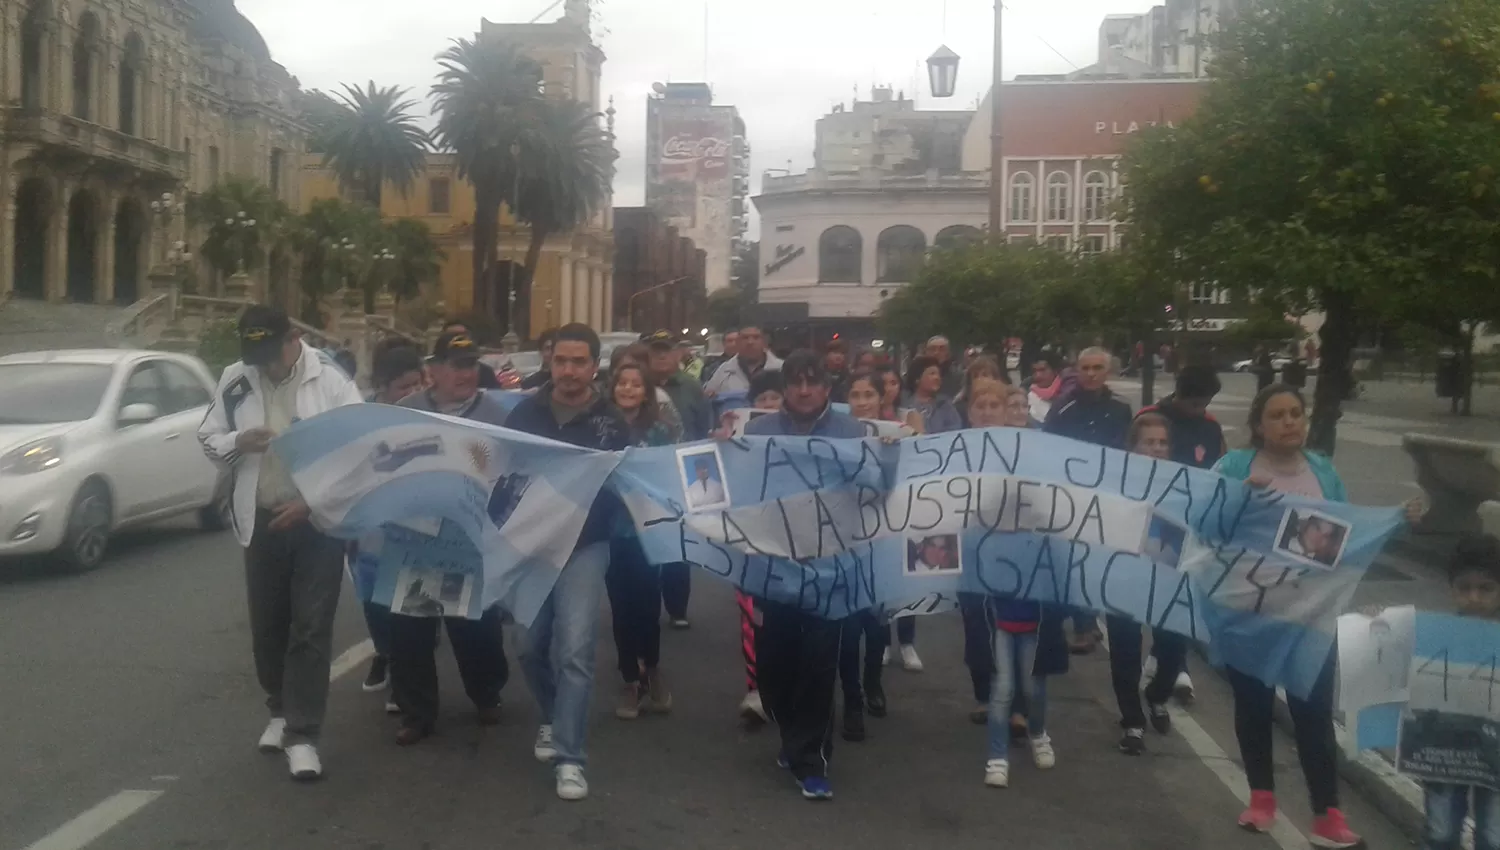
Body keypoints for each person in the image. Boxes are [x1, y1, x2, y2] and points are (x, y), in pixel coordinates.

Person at [1213, 384, 1418, 847]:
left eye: (1295, 414)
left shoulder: (1323, 471)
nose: (1289, 422)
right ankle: (1262, 798)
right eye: (1277, 415)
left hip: (1310, 617)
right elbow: (1208, 525)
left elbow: (1346, 535)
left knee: (1313, 713)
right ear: (1258, 426)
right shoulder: (1234, 468)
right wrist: (1238, 498)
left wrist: (1396, 520)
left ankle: (1327, 815)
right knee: (1253, 706)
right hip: (1249, 611)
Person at [197, 305, 363, 781]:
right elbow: (206, 438)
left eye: (271, 353)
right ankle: (279, 709)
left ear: (294, 339)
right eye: (256, 355)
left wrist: (312, 503)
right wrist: (237, 442)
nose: (264, 365)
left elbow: (358, 453)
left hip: (315, 521)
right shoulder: (237, 377)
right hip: (262, 518)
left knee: (310, 627)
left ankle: (304, 734)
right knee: (268, 628)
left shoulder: (329, 379)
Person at [504, 323, 632, 801]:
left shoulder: (611, 422)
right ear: (549, 361)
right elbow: (500, 470)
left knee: (575, 649)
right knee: (527, 645)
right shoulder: (523, 413)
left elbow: (629, 480)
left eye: (580, 361)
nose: (570, 370)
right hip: (533, 546)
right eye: (562, 360)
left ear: (593, 366)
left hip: (585, 545)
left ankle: (570, 757)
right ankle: (555, 714)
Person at [742, 350, 864, 801]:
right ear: (786, 389)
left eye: (813, 382)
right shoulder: (757, 433)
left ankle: (812, 760)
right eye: (796, 383)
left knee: (817, 666)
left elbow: (877, 489)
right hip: (775, 569)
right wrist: (720, 448)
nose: (805, 390)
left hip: (831, 572)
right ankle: (792, 737)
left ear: (827, 389)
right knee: (774, 667)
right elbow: (736, 487)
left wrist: (892, 453)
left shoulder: (853, 433)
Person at [381, 332, 513, 746]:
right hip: (416, 534)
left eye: (471, 364)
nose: (465, 373)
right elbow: (381, 462)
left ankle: (486, 692)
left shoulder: (495, 413)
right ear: (432, 369)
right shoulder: (405, 411)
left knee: (474, 624)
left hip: (468, 533)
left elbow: (513, 468)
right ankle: (417, 712)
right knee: (410, 628)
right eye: (456, 365)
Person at [1132, 363, 1226, 704]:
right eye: (1195, 404)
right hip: (1157, 520)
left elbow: (1221, 470)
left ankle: (1169, 659)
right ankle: (1169, 661)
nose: (1200, 411)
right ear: (1180, 395)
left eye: (1205, 404)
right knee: (1163, 592)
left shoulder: (1211, 427)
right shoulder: (1150, 418)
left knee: (1184, 592)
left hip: (1194, 524)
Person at [1103, 412, 1191, 757]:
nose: (1156, 449)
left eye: (1162, 443)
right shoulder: (1115, 481)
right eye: (1148, 442)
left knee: (1172, 648)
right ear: (1133, 447)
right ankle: (1132, 720)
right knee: (1125, 649)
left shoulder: (1185, 484)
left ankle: (1156, 694)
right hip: (1123, 575)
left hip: (1167, 578)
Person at [1044, 347, 1132, 655]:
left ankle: (1089, 617)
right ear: (1077, 371)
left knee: (1099, 559)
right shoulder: (1061, 407)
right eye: (1086, 368)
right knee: (1073, 560)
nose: (1092, 374)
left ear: (1107, 372)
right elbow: (1046, 446)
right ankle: (1082, 624)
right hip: (1071, 496)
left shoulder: (1122, 409)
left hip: (1107, 496)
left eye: (1098, 368)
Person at [354, 344, 428, 705]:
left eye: (417, 384)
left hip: (414, 532)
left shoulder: (429, 415)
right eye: (403, 387)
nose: (412, 394)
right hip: (370, 532)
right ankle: (384, 652)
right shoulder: (359, 418)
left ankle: (404, 681)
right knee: (373, 602)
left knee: (406, 607)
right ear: (382, 386)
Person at [1417, 533, 1500, 850]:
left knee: (1494, 836)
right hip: (1443, 755)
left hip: (1496, 757)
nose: (1474, 597)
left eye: (1486, 588)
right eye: (1464, 588)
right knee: (1441, 832)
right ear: (1451, 589)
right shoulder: (1431, 637)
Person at [605, 362, 677, 720]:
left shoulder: (661, 430)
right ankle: (630, 679)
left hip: (649, 530)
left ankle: (652, 667)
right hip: (610, 530)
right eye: (623, 382)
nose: (629, 389)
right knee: (621, 608)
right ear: (613, 387)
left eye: (636, 384)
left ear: (646, 392)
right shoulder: (600, 425)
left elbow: (674, 471)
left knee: (648, 606)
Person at [834, 371, 892, 742]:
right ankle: (852, 698)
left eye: (869, 393)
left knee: (877, 624)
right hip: (843, 538)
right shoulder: (837, 433)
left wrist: (892, 452)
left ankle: (873, 683)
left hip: (883, 540)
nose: (862, 401)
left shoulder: (897, 434)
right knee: (848, 626)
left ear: (881, 398)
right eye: (855, 394)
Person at [644, 330, 712, 629]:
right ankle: (642, 604)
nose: (661, 355)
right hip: (643, 473)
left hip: (681, 473)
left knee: (677, 541)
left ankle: (677, 607)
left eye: (666, 350)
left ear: (678, 353)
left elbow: (703, 429)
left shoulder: (691, 387)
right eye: (655, 350)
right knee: (642, 540)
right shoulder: (635, 384)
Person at [734, 377, 789, 729]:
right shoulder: (743, 437)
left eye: (775, 397)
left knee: (788, 621)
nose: (768, 403)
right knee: (752, 618)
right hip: (753, 542)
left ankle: (787, 689)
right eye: (762, 397)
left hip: (794, 542)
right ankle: (755, 689)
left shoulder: (804, 435)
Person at [704, 325, 782, 400]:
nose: (750, 342)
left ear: (765, 342)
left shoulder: (781, 368)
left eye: (756, 337)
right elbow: (707, 398)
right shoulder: (723, 371)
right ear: (737, 343)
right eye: (745, 338)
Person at [441, 320, 503, 389]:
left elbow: (494, 394)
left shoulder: (485, 371)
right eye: (453, 335)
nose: (459, 338)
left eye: (463, 334)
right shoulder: (433, 371)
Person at [1026, 352, 1064, 425]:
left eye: (1042, 370)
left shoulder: (1068, 392)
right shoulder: (1028, 398)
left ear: (1055, 371)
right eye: (1034, 371)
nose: (1038, 375)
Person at [824, 339, 851, 404]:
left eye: (842, 353)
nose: (838, 356)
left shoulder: (850, 377)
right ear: (827, 355)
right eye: (835, 352)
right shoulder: (819, 376)